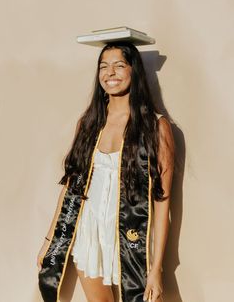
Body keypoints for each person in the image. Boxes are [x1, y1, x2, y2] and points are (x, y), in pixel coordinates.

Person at [37, 41, 175, 302]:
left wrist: (156, 269)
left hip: (127, 236)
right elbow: (71, 188)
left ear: (134, 71)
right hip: (89, 232)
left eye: (119, 66)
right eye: (104, 66)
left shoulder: (155, 127)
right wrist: (49, 242)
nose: (110, 73)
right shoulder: (88, 124)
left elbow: (163, 201)